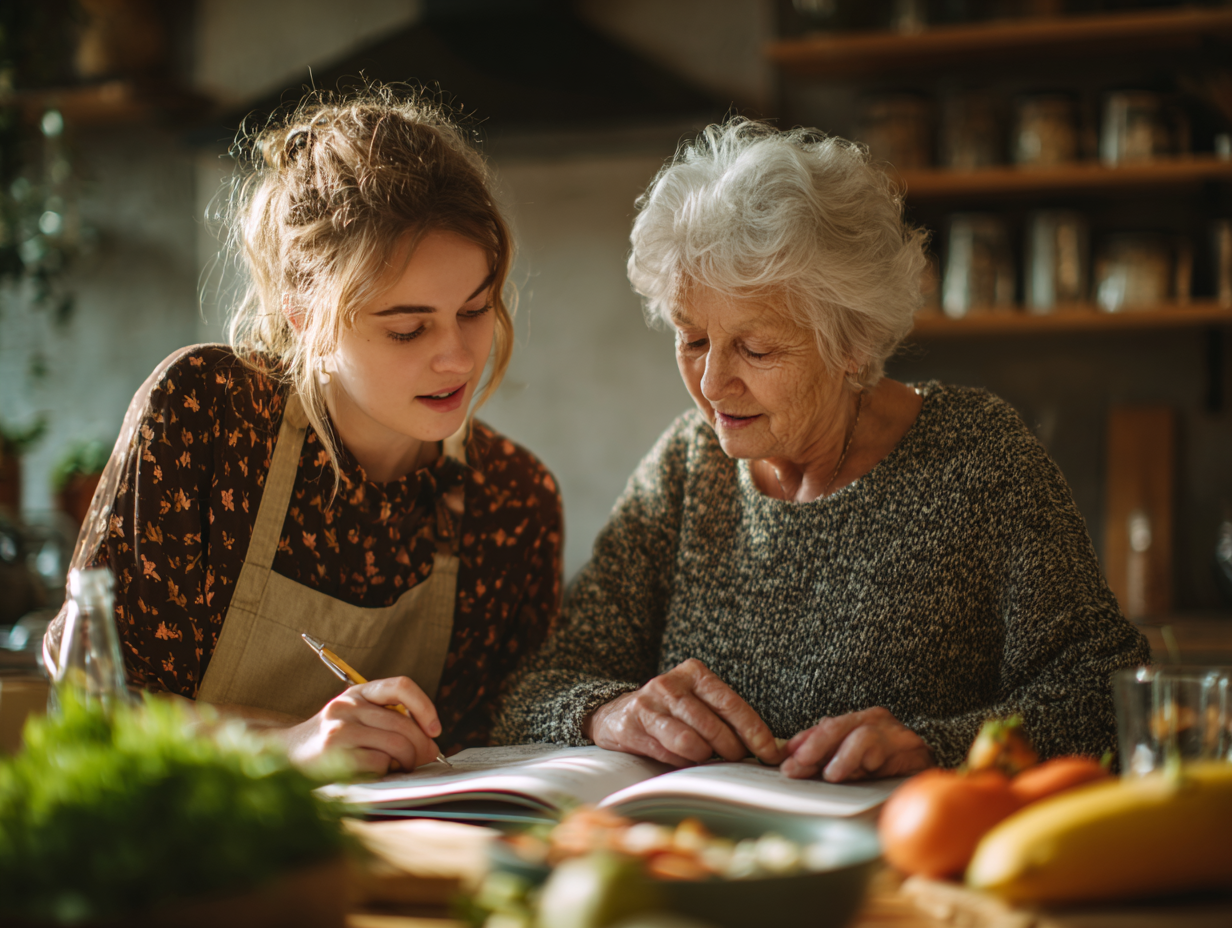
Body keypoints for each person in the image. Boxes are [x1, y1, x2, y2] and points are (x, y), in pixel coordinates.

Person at [493, 119, 1149, 781]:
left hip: (906, 856)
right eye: (692, 339)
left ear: (853, 343)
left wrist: (935, 747)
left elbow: (1107, 696)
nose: (713, 382)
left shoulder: (979, 457)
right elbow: (535, 688)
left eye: (756, 348)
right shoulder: (687, 467)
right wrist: (608, 713)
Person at [44, 89, 563, 773]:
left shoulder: (513, 501)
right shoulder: (205, 417)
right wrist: (286, 746)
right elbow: (89, 707)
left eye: (474, 310)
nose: (460, 358)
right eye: (407, 328)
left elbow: (497, 753)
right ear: (302, 319)